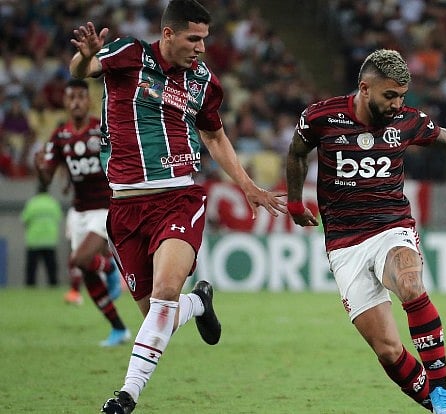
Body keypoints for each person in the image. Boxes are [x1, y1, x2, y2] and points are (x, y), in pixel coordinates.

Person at [286, 49, 446, 414]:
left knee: (410, 284)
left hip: (391, 226)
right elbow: (296, 152)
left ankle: (442, 391)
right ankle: (438, 406)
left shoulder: (406, 120)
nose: (397, 104)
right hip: (344, 244)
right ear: (365, 88)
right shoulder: (321, 117)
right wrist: (295, 202)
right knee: (388, 350)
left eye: (402, 96)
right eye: (390, 95)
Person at [69, 1, 287, 412]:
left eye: (205, 39)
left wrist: (248, 186)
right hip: (124, 207)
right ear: (168, 34)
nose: (201, 48)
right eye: (193, 38)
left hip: (177, 199)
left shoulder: (202, 81)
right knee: (158, 316)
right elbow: (82, 71)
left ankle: (126, 395)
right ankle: (199, 302)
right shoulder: (129, 54)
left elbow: (215, 137)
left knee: (166, 293)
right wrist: (84, 57)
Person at [35, 78, 129, 347]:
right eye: (71, 97)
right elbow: (46, 179)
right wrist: (40, 167)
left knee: (80, 259)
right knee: (85, 271)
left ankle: (110, 268)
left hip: (105, 208)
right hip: (79, 212)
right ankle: (118, 329)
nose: (76, 102)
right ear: (65, 102)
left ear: (88, 101)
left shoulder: (102, 130)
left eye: (80, 96)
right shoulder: (60, 136)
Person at [20, 180, 63, 287]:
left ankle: (30, 288)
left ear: (37, 191)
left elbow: (24, 220)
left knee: (31, 269)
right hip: (49, 240)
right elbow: (58, 219)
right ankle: (53, 286)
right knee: (51, 268)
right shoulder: (53, 203)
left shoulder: (32, 203)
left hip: (34, 240)